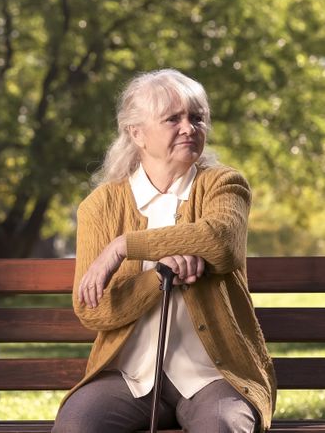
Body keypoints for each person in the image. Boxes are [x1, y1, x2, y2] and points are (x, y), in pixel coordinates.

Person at [52, 69, 276, 433]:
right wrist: (159, 277)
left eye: (197, 118)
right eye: (173, 118)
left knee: (222, 427)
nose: (189, 128)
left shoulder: (223, 184)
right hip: (127, 376)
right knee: (76, 426)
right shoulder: (101, 206)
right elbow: (92, 308)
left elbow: (220, 242)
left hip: (215, 376)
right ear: (136, 133)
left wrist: (124, 246)